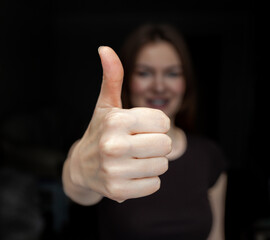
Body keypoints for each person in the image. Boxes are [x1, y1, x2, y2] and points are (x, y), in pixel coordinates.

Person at [62, 24, 227, 240]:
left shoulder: (209, 155)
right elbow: (78, 190)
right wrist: (78, 169)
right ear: (129, 81)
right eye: (145, 73)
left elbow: (216, 236)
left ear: (185, 82)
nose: (159, 86)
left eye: (172, 73)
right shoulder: (110, 151)